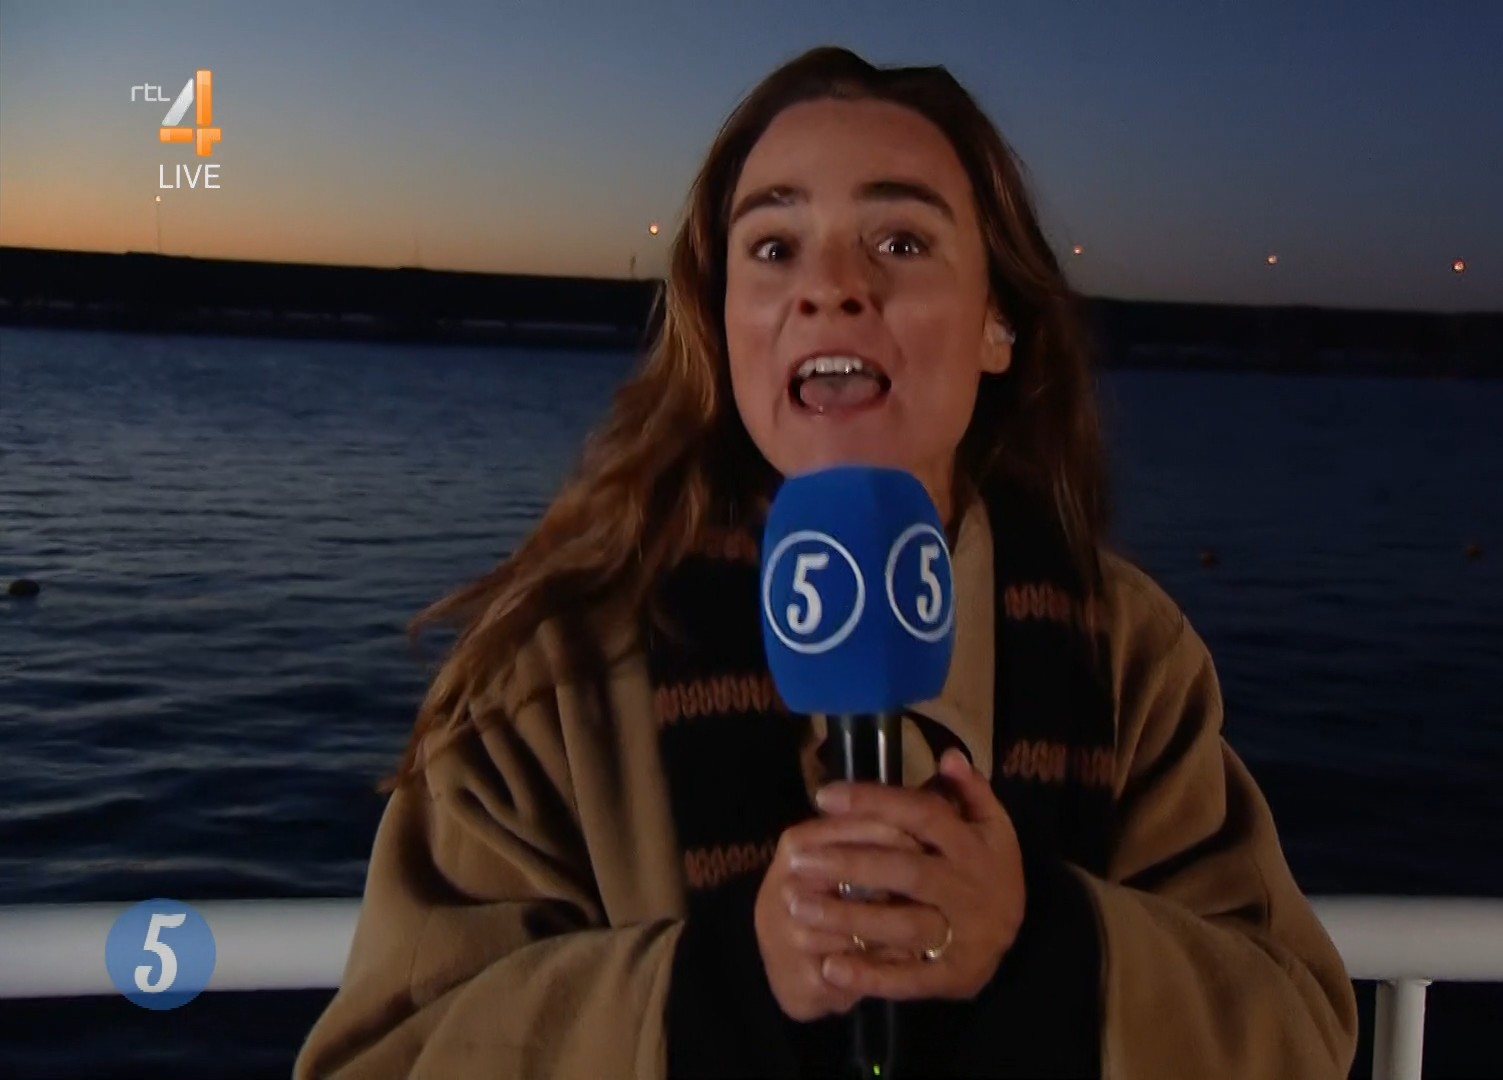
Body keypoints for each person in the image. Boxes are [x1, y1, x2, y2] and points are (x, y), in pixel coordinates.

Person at [295, 45, 1357, 1080]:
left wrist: (1045, 945)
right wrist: (726, 988)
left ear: (999, 324)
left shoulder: (1130, 655)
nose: (833, 287)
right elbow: (385, 1055)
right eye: (773, 247)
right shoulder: (554, 672)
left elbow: (1298, 1034)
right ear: (725, 324)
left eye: (900, 241)